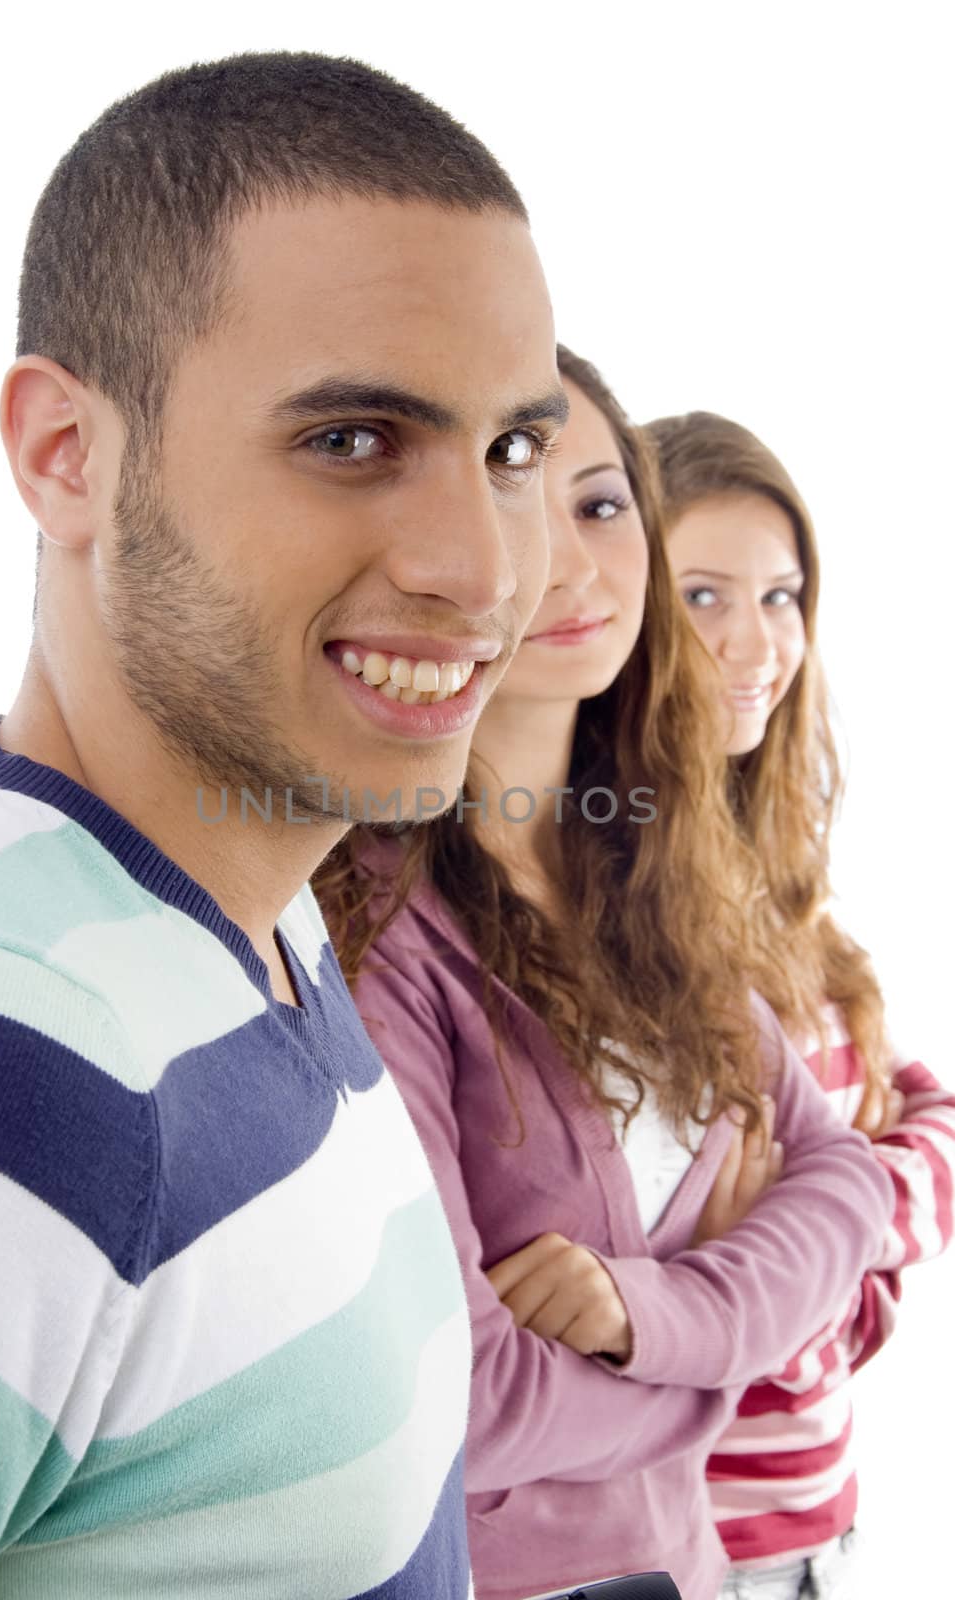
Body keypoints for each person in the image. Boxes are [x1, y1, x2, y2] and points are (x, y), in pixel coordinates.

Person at [0, 51, 571, 1599]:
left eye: (513, 449)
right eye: (350, 441)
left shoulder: (266, 917)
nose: (484, 570)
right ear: (67, 454)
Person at [312, 346, 894, 1600]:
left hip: (683, 1565)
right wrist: (722, 1367)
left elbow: (845, 1180)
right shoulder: (377, 922)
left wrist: (651, 1317)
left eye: (602, 502)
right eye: (523, 496)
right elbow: (463, 1397)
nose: (577, 563)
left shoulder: (641, 863)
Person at [649, 409, 955, 1599]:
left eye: (779, 596)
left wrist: (828, 1243)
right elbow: (650, 1281)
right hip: (681, 1553)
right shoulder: (598, 893)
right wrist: (804, 1253)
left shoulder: (765, 875)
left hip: (817, 1534)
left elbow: (922, 1107)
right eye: (705, 595)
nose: (755, 641)